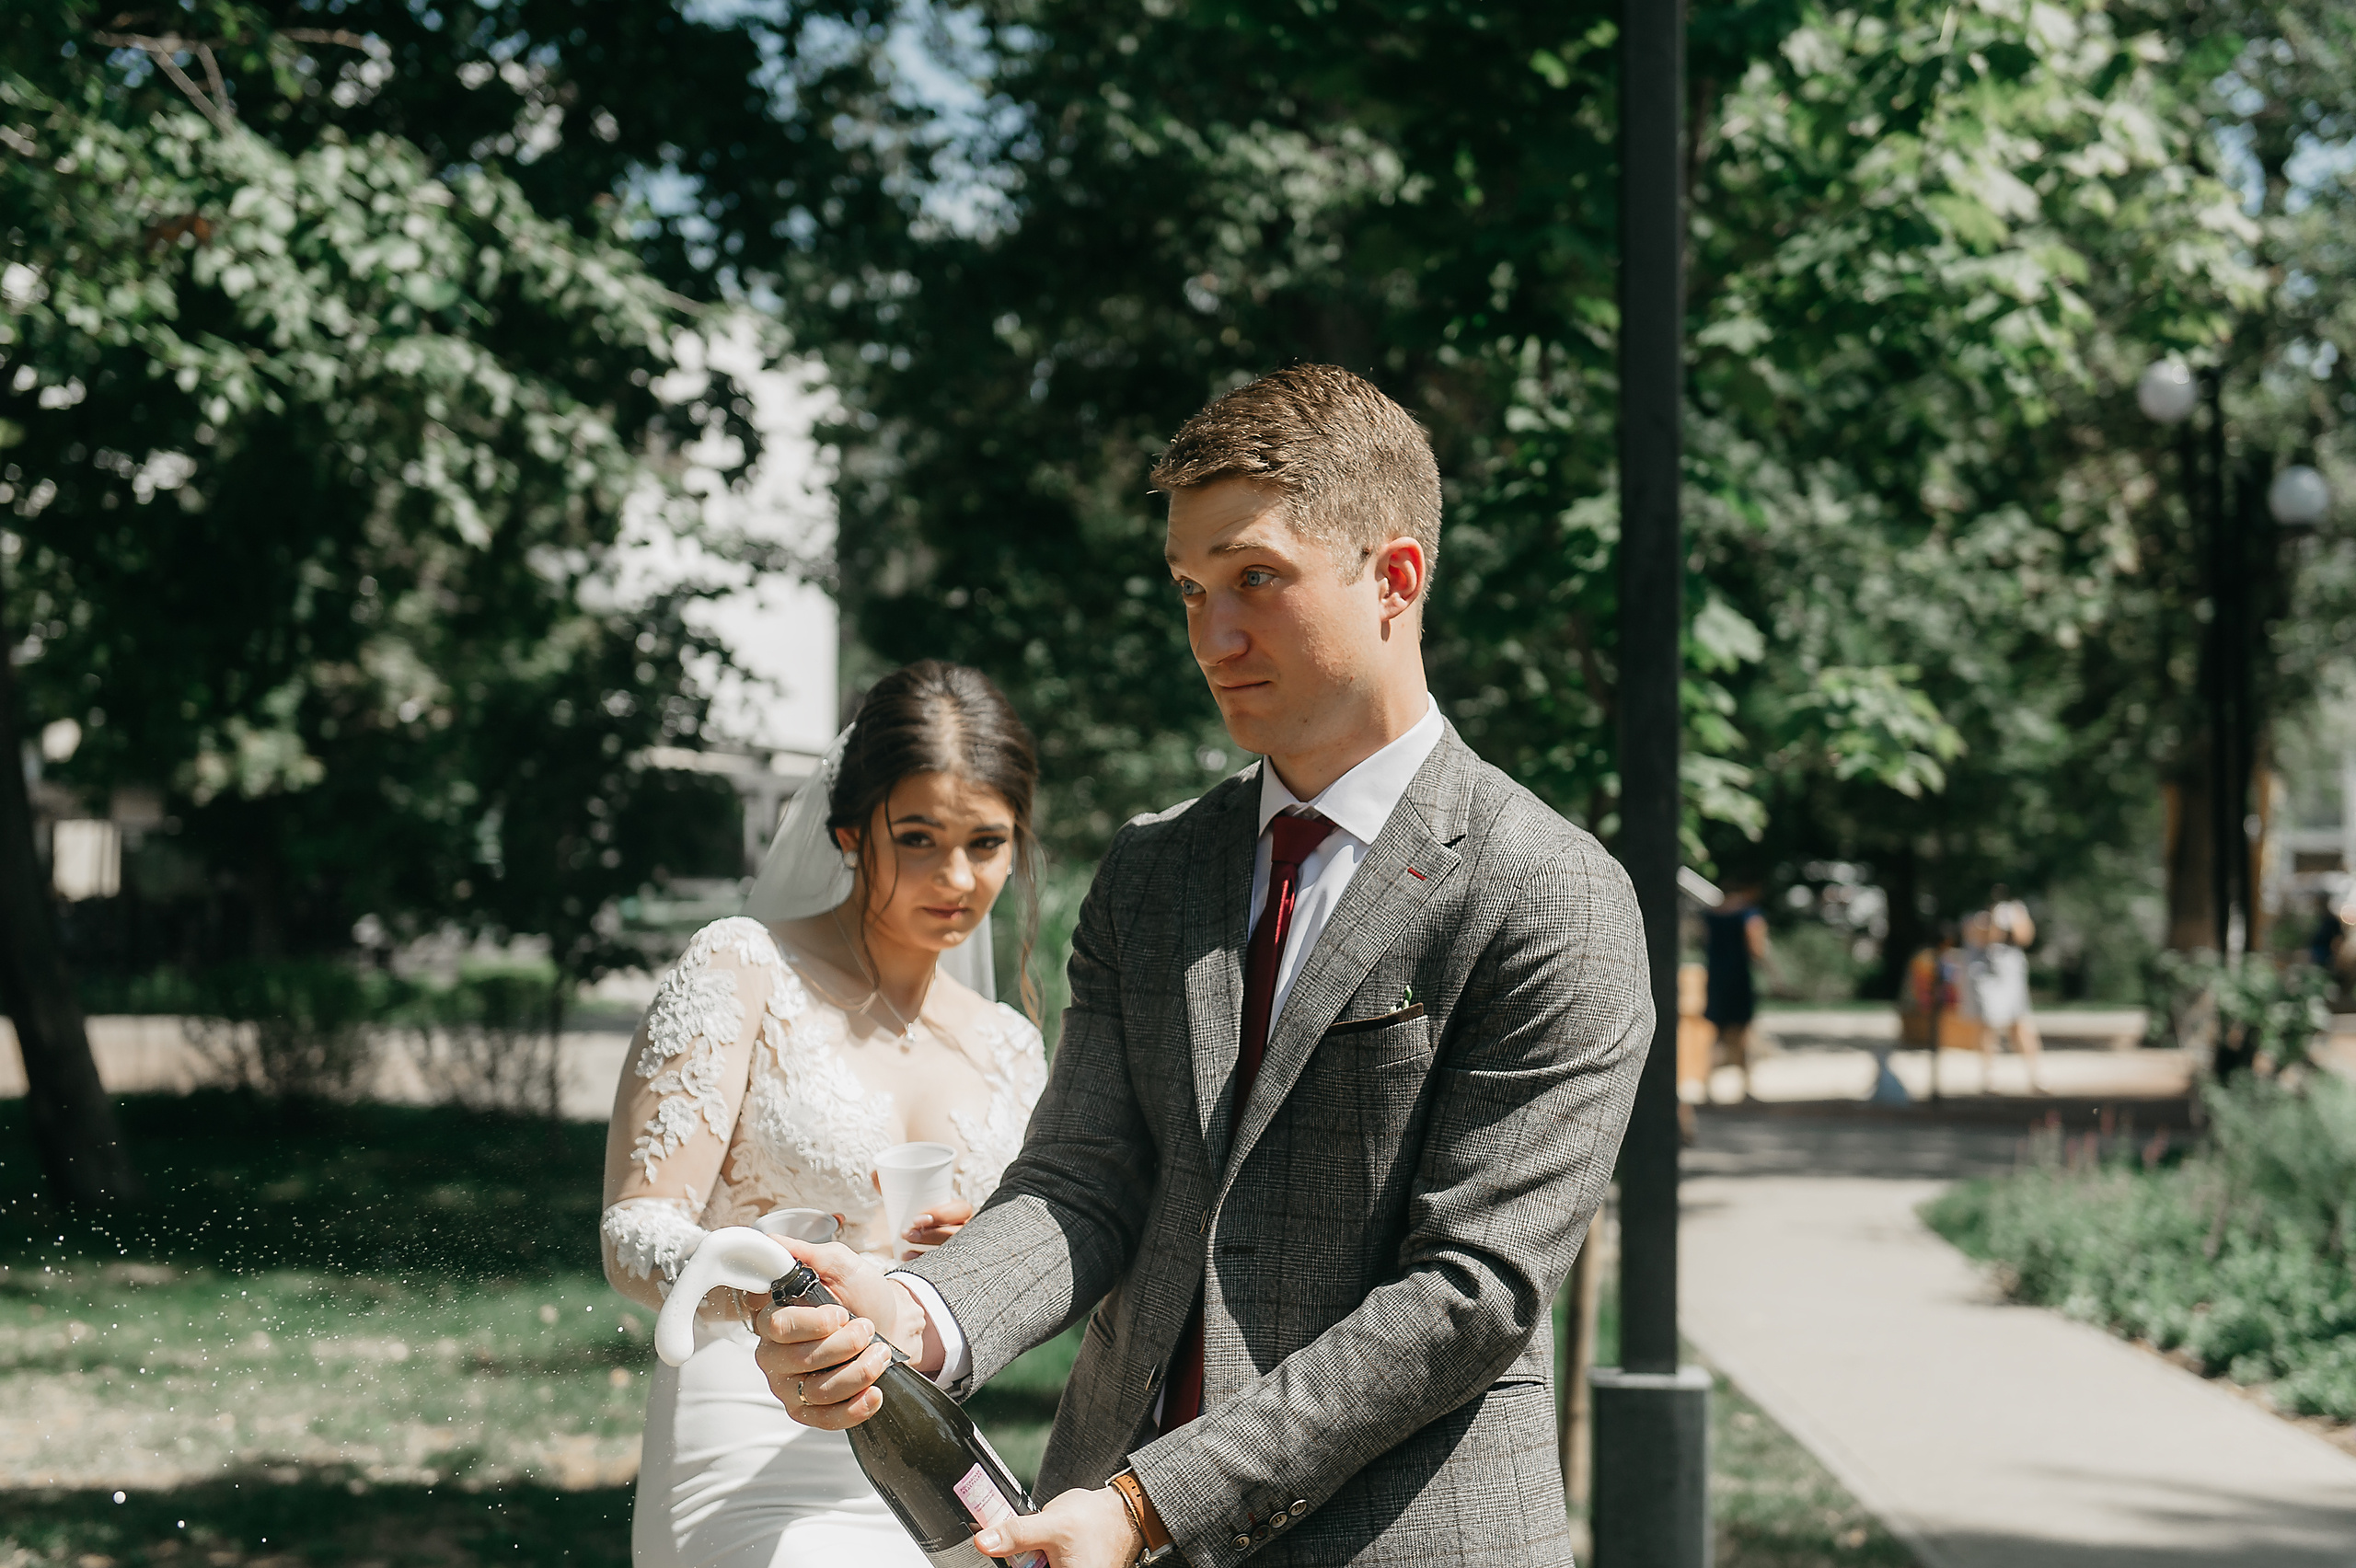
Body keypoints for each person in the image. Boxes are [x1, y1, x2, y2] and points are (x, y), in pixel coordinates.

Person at [753, 365, 1650, 1567]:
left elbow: (1467, 1296)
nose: (1213, 637)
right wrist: (921, 1314)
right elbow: (1082, 1178)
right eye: (1190, 589)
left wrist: (1147, 1506)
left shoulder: (1549, 890)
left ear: (1395, 579)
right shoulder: (1151, 869)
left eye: (1256, 579)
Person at [598, 661, 1050, 1568]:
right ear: (849, 833)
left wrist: (974, 1255)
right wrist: (770, 1287)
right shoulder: (745, 970)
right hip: (746, 1429)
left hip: (926, 1452)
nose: (955, 876)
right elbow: (632, 1236)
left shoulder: (1009, 1045)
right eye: (917, 838)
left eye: (985, 843)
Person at [1965, 888, 2046, 1094]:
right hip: (1985, 969)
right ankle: (1988, 1078)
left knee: (2020, 1022)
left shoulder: (2016, 909)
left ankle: (2035, 1076)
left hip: (2010, 969)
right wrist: (1993, 922)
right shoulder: (1977, 913)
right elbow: (1984, 938)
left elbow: (2025, 937)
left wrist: (2012, 920)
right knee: (1988, 1023)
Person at [1700, 879, 1771, 1101]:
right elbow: (1756, 947)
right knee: (1742, 1033)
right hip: (1738, 977)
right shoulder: (1749, 914)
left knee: (1718, 1034)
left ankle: (1708, 1087)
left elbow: (1704, 941)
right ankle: (1746, 1085)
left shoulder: (1711, 914)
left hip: (1716, 977)